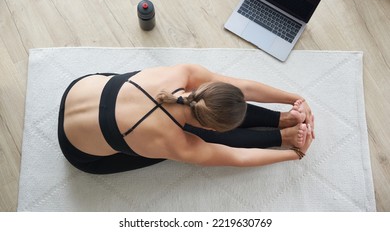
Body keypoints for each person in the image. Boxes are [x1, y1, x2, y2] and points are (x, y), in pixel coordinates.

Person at [58, 64, 315, 174]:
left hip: (80, 89)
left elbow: (242, 90)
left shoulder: (184, 73)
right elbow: (234, 157)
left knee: (208, 114)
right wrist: (294, 154)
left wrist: (293, 99)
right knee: (198, 140)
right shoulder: (172, 141)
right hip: (79, 151)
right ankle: (281, 134)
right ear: (214, 127)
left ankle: (282, 119)